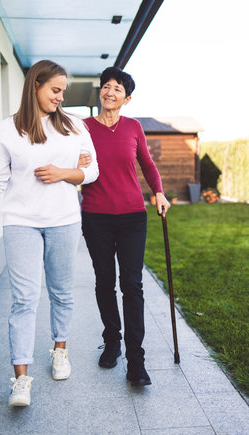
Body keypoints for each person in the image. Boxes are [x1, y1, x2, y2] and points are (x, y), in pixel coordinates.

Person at [0, 60, 98, 406]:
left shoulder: (74, 126)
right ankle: (21, 380)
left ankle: (60, 350)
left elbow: (92, 172)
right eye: (55, 90)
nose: (61, 97)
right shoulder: (6, 130)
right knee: (24, 300)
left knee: (61, 293)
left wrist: (64, 172)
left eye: (63, 91)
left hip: (63, 221)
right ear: (35, 86)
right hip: (20, 223)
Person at [81, 67, 170, 387]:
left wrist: (158, 192)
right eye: (106, 86)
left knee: (132, 284)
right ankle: (112, 342)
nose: (110, 92)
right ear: (100, 93)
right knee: (104, 281)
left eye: (117, 89)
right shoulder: (83, 127)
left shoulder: (133, 128)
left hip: (133, 216)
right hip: (95, 216)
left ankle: (136, 358)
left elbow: (147, 163)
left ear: (126, 98)